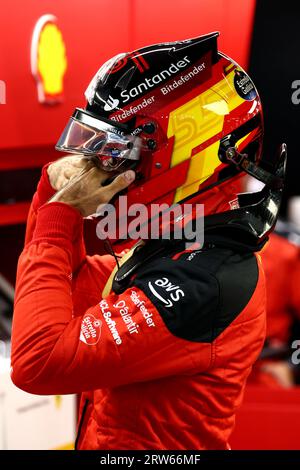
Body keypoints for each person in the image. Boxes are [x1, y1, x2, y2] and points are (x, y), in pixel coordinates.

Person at [11, 33, 286, 450]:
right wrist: (49, 195)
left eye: (117, 151)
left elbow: (39, 363)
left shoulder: (204, 280)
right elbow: (69, 287)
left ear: (184, 153)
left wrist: (58, 215)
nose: (99, 166)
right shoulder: (181, 247)